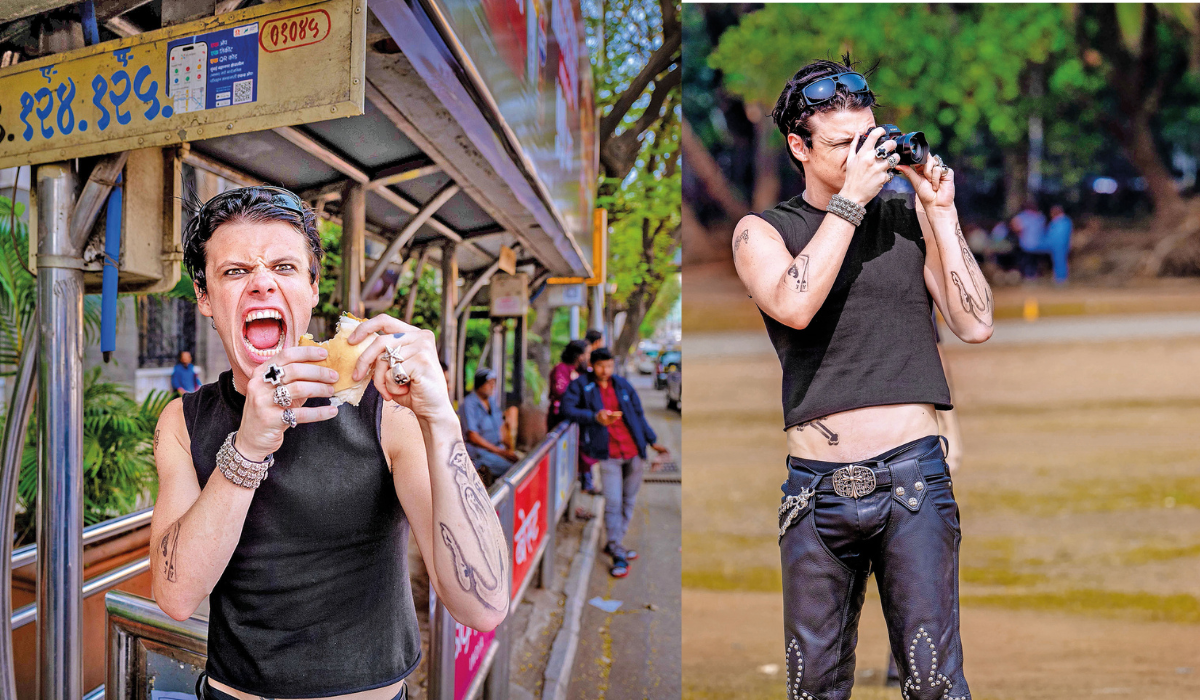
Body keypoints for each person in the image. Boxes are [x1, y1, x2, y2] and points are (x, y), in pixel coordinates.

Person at [150, 186, 509, 700]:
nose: (262, 285)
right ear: (204, 296)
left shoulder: (385, 408)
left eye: (285, 267)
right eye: (235, 271)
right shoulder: (183, 422)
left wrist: (442, 419)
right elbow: (175, 596)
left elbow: (485, 605)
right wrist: (248, 446)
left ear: (313, 288)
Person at [733, 56, 993, 700]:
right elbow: (794, 303)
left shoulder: (906, 221)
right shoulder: (763, 231)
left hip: (914, 480)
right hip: (814, 492)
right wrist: (850, 202)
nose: (859, 157)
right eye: (841, 145)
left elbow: (976, 322)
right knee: (812, 686)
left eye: (866, 140)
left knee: (934, 683)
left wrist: (940, 211)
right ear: (798, 146)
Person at [561, 348, 670, 578]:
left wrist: (652, 441)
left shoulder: (621, 385)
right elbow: (567, 409)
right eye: (601, 366)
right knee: (612, 502)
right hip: (607, 453)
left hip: (633, 449)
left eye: (609, 366)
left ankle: (614, 543)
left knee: (629, 500)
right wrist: (594, 417)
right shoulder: (582, 385)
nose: (605, 370)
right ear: (593, 365)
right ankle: (617, 550)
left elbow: (638, 415)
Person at [461, 368, 519, 482]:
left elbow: (500, 426)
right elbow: (473, 436)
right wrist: (500, 452)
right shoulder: (469, 404)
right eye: (489, 383)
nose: (492, 386)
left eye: (494, 383)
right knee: (512, 470)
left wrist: (508, 449)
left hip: (496, 448)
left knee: (520, 463)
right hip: (480, 452)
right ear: (480, 384)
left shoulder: (491, 401)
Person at [1012, 200, 1048, 278]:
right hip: (1029, 244)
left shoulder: (1038, 216)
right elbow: (1015, 226)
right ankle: (1029, 276)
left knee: (1033, 262)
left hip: (1036, 244)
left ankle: (1033, 276)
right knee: (1029, 262)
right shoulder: (1025, 216)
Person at [1041, 204, 1073, 283]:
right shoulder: (1055, 222)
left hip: (1061, 246)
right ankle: (1058, 278)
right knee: (1056, 262)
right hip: (1054, 246)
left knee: (1061, 262)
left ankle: (1061, 279)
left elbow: (1061, 235)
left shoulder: (1064, 221)